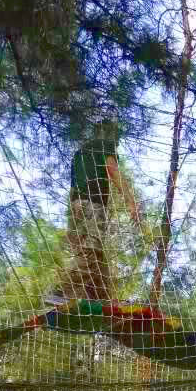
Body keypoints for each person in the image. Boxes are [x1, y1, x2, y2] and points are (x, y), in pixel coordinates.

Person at [56, 118, 142, 303]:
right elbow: (112, 170)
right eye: (116, 136)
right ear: (106, 133)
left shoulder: (79, 153)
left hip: (76, 206)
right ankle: (61, 292)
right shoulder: (104, 145)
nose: (117, 142)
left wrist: (74, 213)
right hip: (93, 204)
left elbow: (73, 186)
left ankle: (103, 300)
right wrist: (131, 201)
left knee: (97, 256)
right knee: (91, 252)